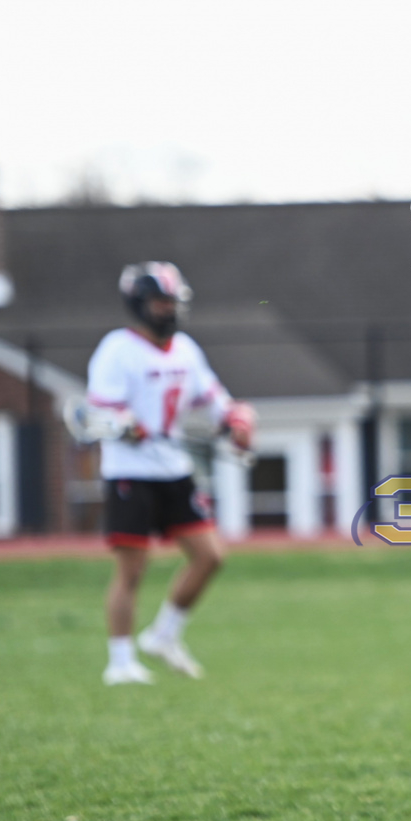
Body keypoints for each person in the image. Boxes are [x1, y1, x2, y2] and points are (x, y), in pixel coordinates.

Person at [87, 262, 255, 685]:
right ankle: (120, 662)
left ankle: (163, 636)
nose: (168, 309)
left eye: (172, 302)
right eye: (160, 302)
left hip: (174, 469)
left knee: (210, 557)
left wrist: (235, 421)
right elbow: (99, 411)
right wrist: (127, 425)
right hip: (130, 471)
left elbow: (214, 399)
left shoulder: (185, 350)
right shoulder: (116, 349)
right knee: (132, 570)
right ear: (139, 304)